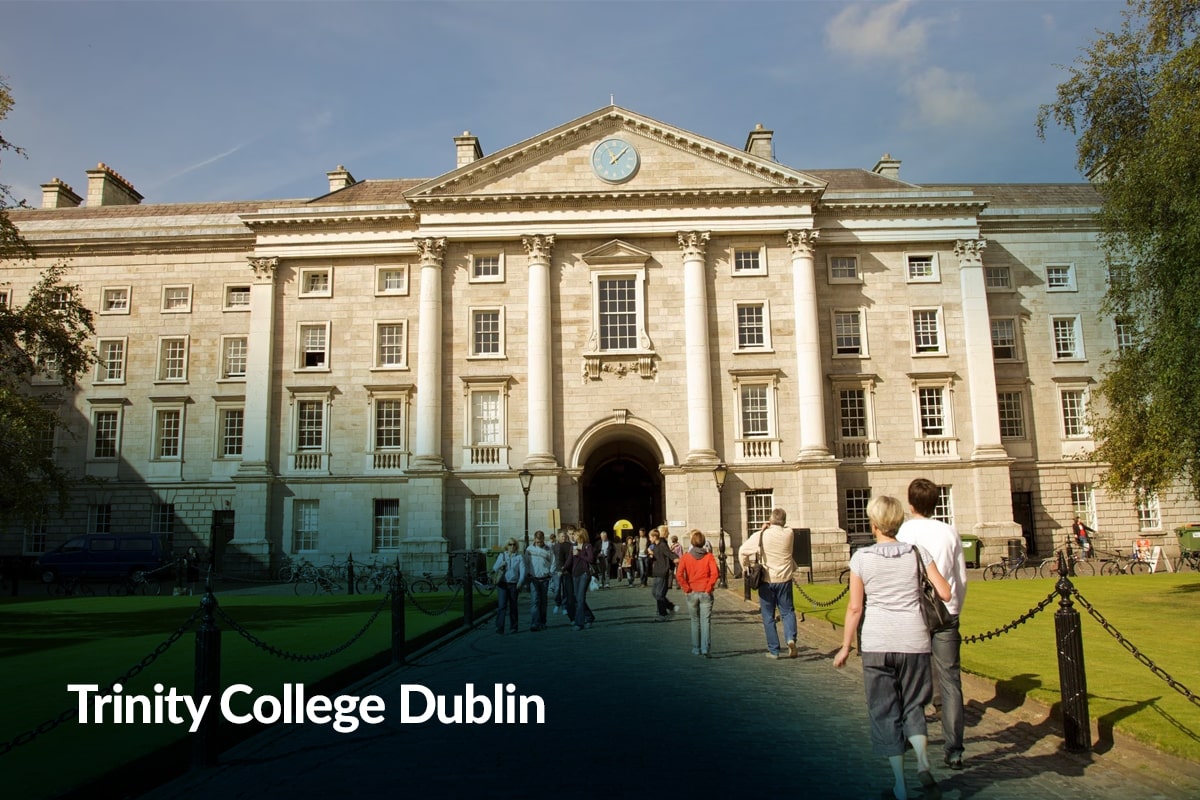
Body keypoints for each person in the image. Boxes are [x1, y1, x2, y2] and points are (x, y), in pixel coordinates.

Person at [834, 495, 952, 800]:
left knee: (885, 711)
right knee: (914, 706)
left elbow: (855, 608)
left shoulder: (861, 558)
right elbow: (945, 593)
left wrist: (845, 646)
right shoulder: (917, 553)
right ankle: (924, 763)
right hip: (914, 640)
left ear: (873, 524)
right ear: (899, 522)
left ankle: (900, 784)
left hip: (877, 642)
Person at [897, 477, 969, 772]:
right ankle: (954, 751)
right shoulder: (949, 531)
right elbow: (960, 578)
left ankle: (910, 739)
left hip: (913, 612)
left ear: (910, 503)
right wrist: (953, 609)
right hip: (945, 613)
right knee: (951, 681)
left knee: (909, 678)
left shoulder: (902, 532)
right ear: (936, 503)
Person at [738, 508, 799, 658]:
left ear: (770, 520)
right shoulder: (789, 533)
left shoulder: (762, 535)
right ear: (784, 521)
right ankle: (790, 638)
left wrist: (745, 567)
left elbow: (743, 550)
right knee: (787, 612)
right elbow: (783, 527)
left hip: (766, 580)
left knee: (768, 616)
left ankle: (774, 650)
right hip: (785, 579)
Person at [675, 529, 719, 657]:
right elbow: (715, 573)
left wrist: (686, 588)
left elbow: (679, 575)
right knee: (705, 621)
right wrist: (709, 587)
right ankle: (705, 648)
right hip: (705, 591)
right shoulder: (709, 556)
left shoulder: (685, 557)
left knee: (694, 621)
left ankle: (696, 648)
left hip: (692, 592)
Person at [492, 538, 526, 635]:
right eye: (510, 544)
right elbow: (494, 568)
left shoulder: (519, 557)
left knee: (513, 606)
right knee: (502, 606)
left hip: (513, 584)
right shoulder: (502, 556)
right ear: (507, 546)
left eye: (514, 544)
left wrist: (520, 582)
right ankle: (499, 627)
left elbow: (522, 571)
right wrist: (500, 564)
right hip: (502, 584)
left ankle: (514, 627)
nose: (512, 546)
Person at [565, 528, 595, 630]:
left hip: (584, 574)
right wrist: (562, 568)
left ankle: (579, 623)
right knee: (578, 599)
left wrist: (580, 554)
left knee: (581, 598)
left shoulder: (587, 546)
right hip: (575, 574)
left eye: (576, 535)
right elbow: (569, 560)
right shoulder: (572, 546)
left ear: (581, 536)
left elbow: (591, 559)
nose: (574, 536)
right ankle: (589, 617)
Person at [525, 530, 553, 632]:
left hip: (544, 578)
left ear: (543, 540)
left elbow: (553, 562)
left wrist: (550, 573)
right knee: (534, 601)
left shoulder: (548, 549)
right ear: (534, 539)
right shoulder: (529, 549)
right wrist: (528, 573)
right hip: (533, 578)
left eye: (540, 542)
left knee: (543, 602)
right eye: (537, 542)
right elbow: (526, 563)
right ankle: (534, 623)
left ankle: (543, 622)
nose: (539, 543)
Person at [649, 526, 679, 620]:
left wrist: (675, 558)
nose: (649, 539)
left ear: (654, 537)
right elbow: (658, 556)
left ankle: (663, 614)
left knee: (659, 594)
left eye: (650, 537)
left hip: (662, 571)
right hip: (657, 571)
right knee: (655, 592)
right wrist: (651, 555)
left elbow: (668, 553)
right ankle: (670, 607)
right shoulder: (657, 545)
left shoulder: (662, 544)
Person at [553, 529, 576, 618]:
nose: (564, 538)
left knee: (566, 590)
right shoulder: (555, 547)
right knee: (557, 588)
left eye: (564, 536)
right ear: (558, 537)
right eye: (562, 536)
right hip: (556, 570)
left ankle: (564, 606)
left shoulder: (568, 545)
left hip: (565, 570)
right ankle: (557, 603)